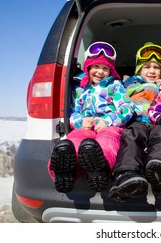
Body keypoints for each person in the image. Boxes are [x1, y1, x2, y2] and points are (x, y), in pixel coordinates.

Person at [48, 41, 134, 193]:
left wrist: (107, 121)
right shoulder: (80, 88)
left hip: (109, 125)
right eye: (96, 67)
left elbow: (127, 108)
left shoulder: (114, 86)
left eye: (105, 68)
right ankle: (64, 173)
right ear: (88, 67)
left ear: (111, 71)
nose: (100, 72)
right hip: (86, 126)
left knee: (108, 141)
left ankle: (99, 170)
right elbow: (73, 112)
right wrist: (80, 122)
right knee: (74, 139)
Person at [109, 42, 161, 202]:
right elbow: (123, 100)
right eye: (147, 67)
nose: (152, 71)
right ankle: (126, 175)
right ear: (138, 69)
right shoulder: (128, 83)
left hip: (157, 123)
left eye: (156, 67)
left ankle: (160, 169)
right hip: (136, 121)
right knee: (131, 138)